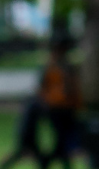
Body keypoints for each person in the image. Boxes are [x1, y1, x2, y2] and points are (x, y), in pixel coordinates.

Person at [38, 39, 82, 169]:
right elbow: (42, 88)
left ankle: (51, 163)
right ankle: (49, 162)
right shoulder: (50, 67)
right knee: (61, 140)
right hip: (55, 107)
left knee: (63, 141)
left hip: (68, 107)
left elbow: (74, 88)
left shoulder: (68, 67)